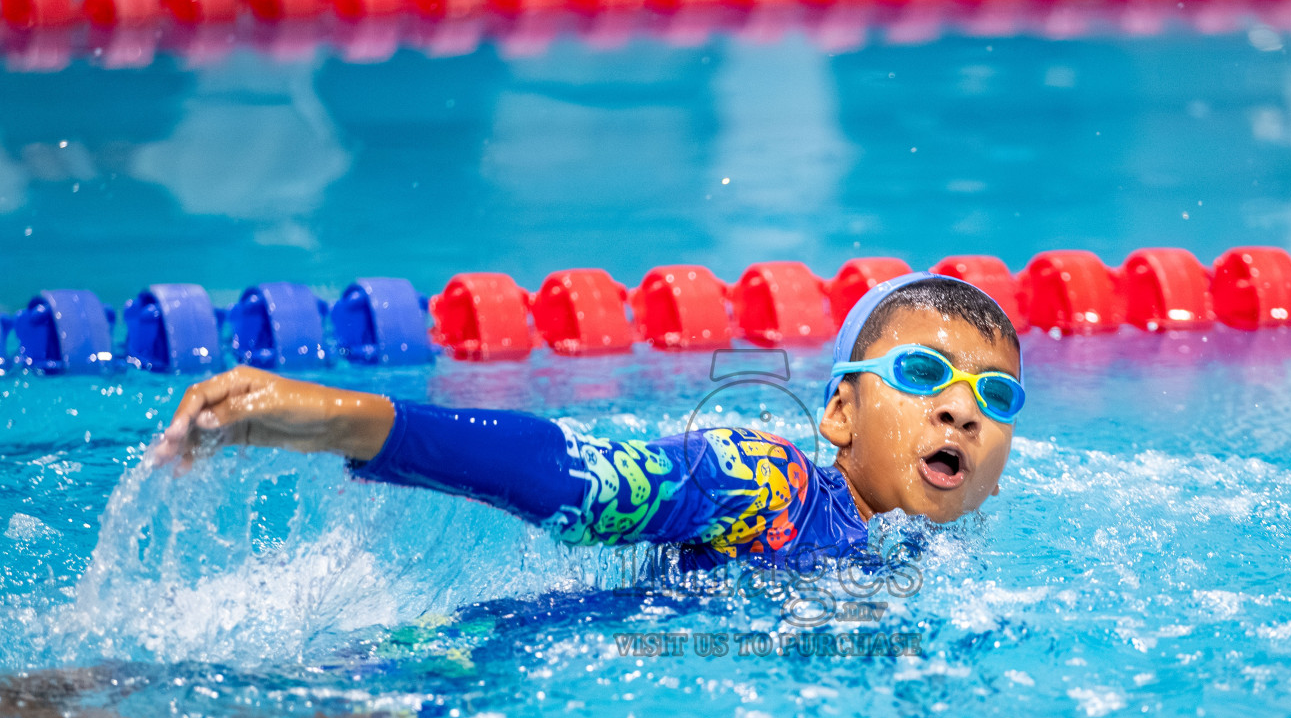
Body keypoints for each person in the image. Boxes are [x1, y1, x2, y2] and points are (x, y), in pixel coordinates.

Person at [154, 274, 1025, 568]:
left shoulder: (945, 557)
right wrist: (349, 419)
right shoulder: (773, 489)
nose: (960, 406)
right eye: (921, 374)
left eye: (995, 395)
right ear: (839, 411)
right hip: (473, 687)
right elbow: (577, 475)